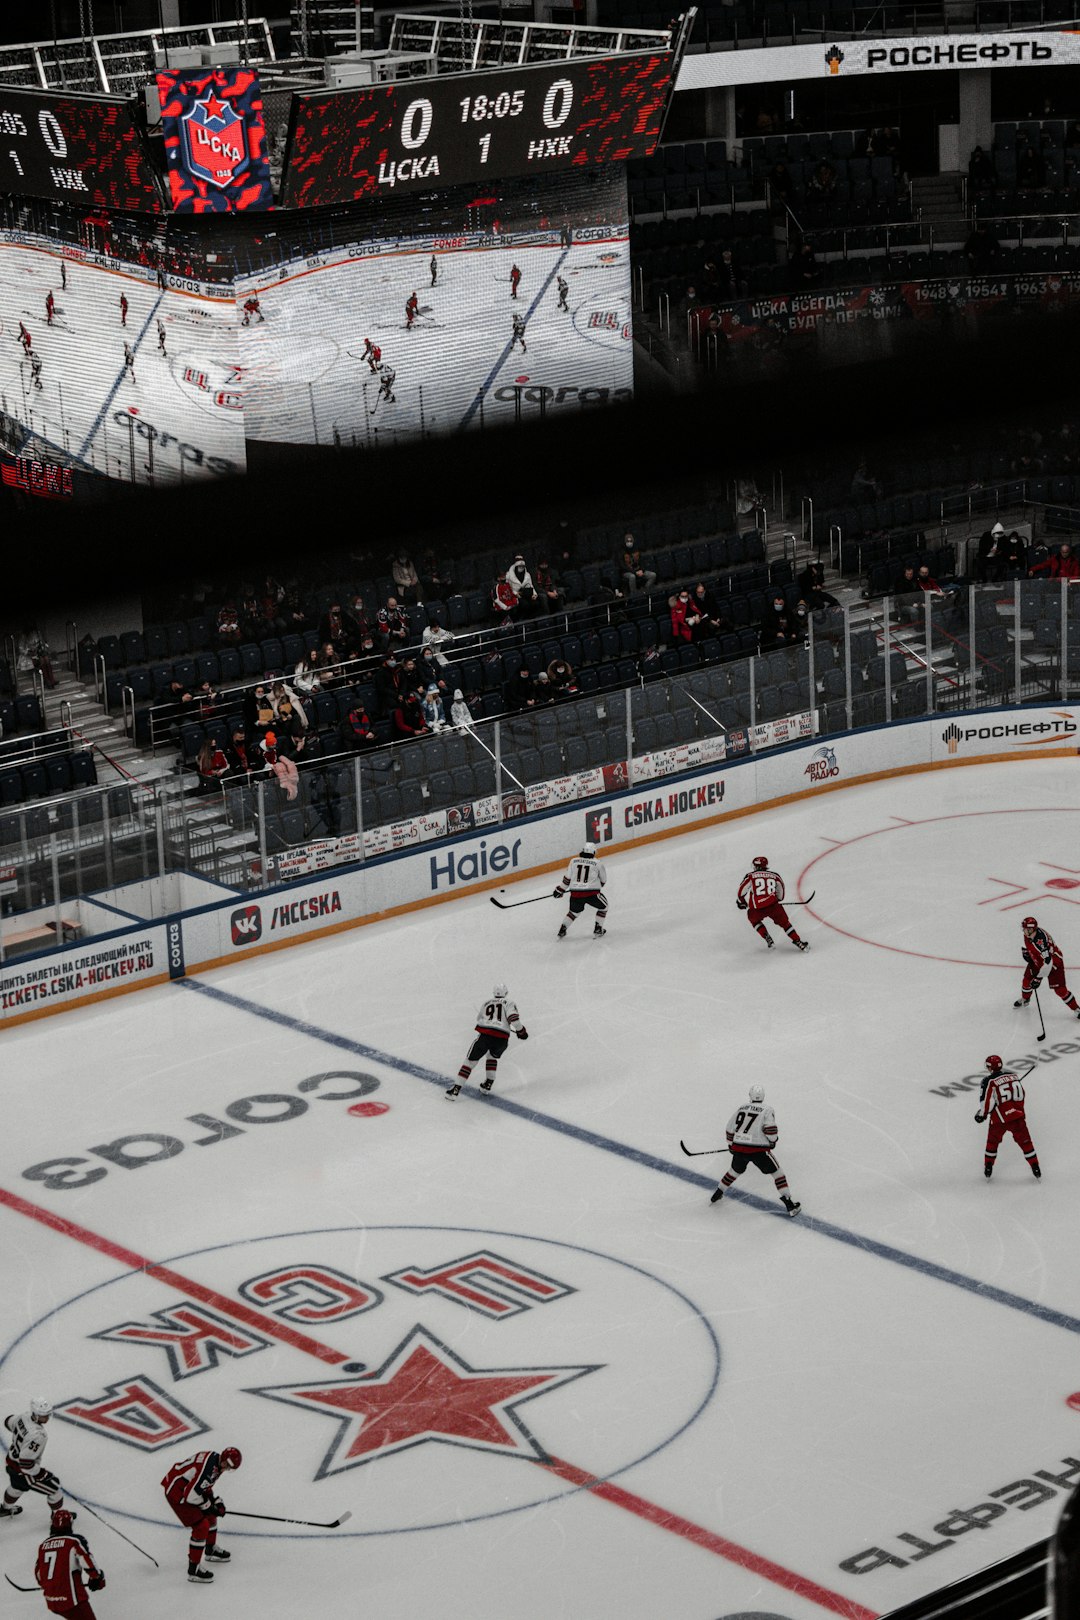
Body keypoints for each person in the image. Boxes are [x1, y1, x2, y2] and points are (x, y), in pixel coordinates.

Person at [709, 1084, 801, 1215]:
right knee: (778, 1174)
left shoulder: (742, 1107)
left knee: (734, 1171)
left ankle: (718, 1193)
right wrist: (773, 1141)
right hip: (759, 1151)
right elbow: (770, 1130)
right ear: (763, 1096)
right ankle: (790, 1205)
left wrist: (731, 1144)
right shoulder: (767, 1109)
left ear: (750, 1095)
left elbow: (730, 1128)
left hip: (739, 1148)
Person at [161, 1447, 241, 1584]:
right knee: (201, 1526)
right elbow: (190, 1496)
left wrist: (214, 1500)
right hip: (176, 1493)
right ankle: (194, 1570)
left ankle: (210, 1549)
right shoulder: (209, 1468)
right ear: (224, 1460)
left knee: (210, 1515)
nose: (227, 1469)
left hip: (185, 1489)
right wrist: (209, 1506)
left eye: (230, 1468)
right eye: (227, 1466)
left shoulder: (217, 1463)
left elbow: (204, 1486)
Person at [445, 984, 528, 1099]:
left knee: (470, 1062)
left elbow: (479, 1019)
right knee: (492, 1056)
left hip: (485, 1037)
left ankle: (455, 1090)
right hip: (502, 1039)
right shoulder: (509, 1002)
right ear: (506, 993)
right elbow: (514, 1019)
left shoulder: (486, 1003)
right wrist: (521, 1031)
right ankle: (488, 1084)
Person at [975, 1056, 1041, 1180]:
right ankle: (1035, 1167)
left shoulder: (988, 1081)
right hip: (1017, 1117)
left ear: (989, 1067)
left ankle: (988, 1167)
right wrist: (1013, 1109)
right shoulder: (1014, 1076)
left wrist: (981, 1115)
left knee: (992, 1142)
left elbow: (987, 1103)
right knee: (1026, 1143)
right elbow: (1021, 1095)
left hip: (999, 1120)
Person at [35, 1508, 105, 1618]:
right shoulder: (74, 1541)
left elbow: (39, 1575)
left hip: (52, 1601)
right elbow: (87, 1561)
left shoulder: (43, 1546)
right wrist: (97, 1578)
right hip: (72, 1600)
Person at [1, 1399, 63, 1520]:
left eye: (48, 1414)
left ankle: (5, 1508)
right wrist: (42, 1474)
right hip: (23, 1471)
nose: (47, 1418)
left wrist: (21, 1431)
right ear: (35, 1414)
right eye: (44, 1415)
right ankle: (58, 1519)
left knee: (16, 1487)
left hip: (11, 1463)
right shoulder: (38, 1435)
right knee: (55, 1488)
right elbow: (26, 1464)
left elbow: (8, 1421)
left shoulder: (23, 1417)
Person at [737, 856, 808, 951]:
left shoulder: (750, 876)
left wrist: (742, 902)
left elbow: (741, 892)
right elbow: (781, 896)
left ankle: (767, 937)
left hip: (756, 909)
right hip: (773, 907)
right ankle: (798, 941)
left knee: (754, 920)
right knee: (786, 924)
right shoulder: (775, 876)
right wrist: (774, 900)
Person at [1016, 916, 1080, 1015]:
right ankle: (1026, 999)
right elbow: (1029, 945)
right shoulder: (1029, 935)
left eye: (1026, 929)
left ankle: (1077, 1009)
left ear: (1032, 929)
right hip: (1038, 960)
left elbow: (1048, 962)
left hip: (1054, 963)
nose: (1024, 931)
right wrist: (1027, 953)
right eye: (1023, 929)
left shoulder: (1040, 942)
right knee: (1026, 981)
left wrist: (1038, 978)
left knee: (1060, 990)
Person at [554, 841, 608, 940]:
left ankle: (562, 929)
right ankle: (598, 929)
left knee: (573, 912)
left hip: (575, 894)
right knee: (604, 907)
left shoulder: (573, 861)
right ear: (593, 852)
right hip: (592, 894)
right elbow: (603, 881)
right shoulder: (598, 863)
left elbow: (567, 878)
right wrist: (595, 885)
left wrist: (560, 890)